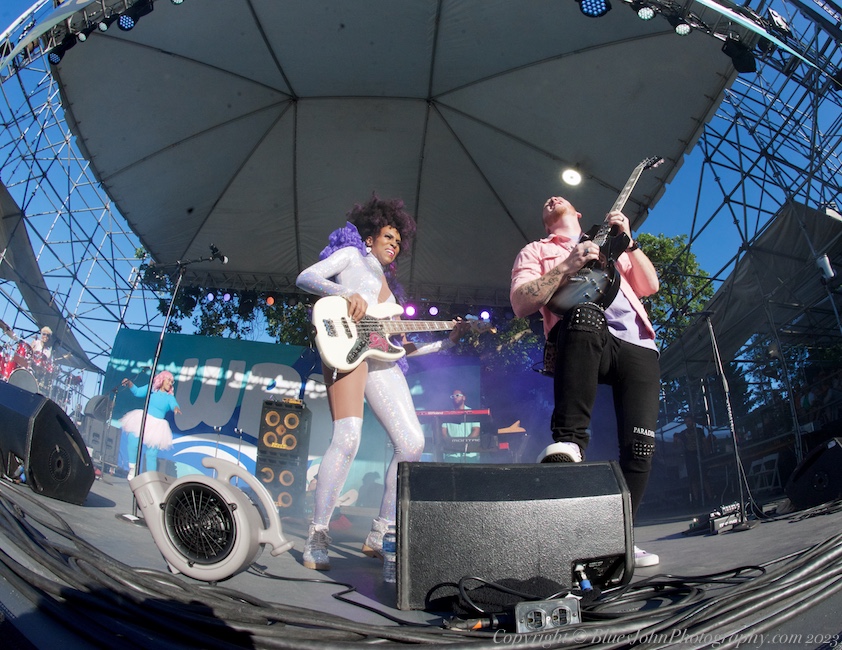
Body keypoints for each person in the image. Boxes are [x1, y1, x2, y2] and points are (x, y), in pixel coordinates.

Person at [295, 193, 468, 571]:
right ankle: (318, 533)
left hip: (379, 358)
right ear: (370, 237)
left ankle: (381, 532)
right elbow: (306, 277)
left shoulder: (390, 293)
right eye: (388, 236)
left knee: (412, 443)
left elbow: (401, 350)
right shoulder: (351, 256)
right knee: (348, 437)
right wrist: (345, 292)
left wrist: (447, 341)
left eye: (399, 241)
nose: (394, 244)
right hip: (345, 345)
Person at [510, 195, 661, 568]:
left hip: (637, 342)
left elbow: (649, 286)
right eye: (546, 202)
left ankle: (620, 541)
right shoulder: (536, 250)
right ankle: (570, 441)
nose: (552, 199)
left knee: (641, 445)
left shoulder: (608, 243)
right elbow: (520, 302)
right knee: (585, 312)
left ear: (578, 213)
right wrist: (567, 265)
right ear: (545, 221)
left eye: (560, 198)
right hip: (581, 337)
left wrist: (630, 241)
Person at [120, 370, 181, 480]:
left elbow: (174, 404)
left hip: (157, 425)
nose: (170, 383)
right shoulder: (152, 389)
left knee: (152, 453)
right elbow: (137, 392)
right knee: (133, 440)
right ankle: (132, 468)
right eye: (168, 380)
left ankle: (151, 478)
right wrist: (129, 383)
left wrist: (176, 408)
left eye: (172, 382)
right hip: (145, 419)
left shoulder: (169, 397)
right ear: (162, 379)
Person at [674, 414, 713, 504]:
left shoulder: (699, 431)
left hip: (699, 454)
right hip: (690, 456)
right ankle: (696, 499)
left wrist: (708, 452)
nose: (688, 423)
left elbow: (704, 442)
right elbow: (676, 445)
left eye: (689, 421)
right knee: (693, 479)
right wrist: (675, 440)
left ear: (693, 422)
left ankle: (710, 497)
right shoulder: (683, 433)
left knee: (704, 477)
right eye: (686, 422)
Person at [441, 389, 482, 463]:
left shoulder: (472, 412)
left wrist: (464, 444)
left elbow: (476, 430)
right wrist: (451, 444)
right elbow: (443, 431)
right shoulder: (447, 413)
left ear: (464, 398)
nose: (455, 397)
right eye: (453, 396)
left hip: (469, 455)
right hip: (452, 455)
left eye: (457, 395)